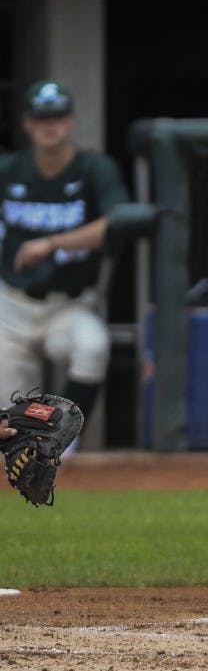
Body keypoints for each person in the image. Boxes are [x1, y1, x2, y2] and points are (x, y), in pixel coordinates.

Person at [0, 80, 129, 448]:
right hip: (12, 307)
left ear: (70, 120)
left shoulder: (93, 167)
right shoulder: (10, 169)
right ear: (27, 124)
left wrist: (53, 243)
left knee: (92, 345)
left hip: (68, 305)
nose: (49, 125)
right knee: (16, 425)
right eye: (41, 118)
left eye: (57, 116)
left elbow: (117, 220)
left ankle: (63, 443)